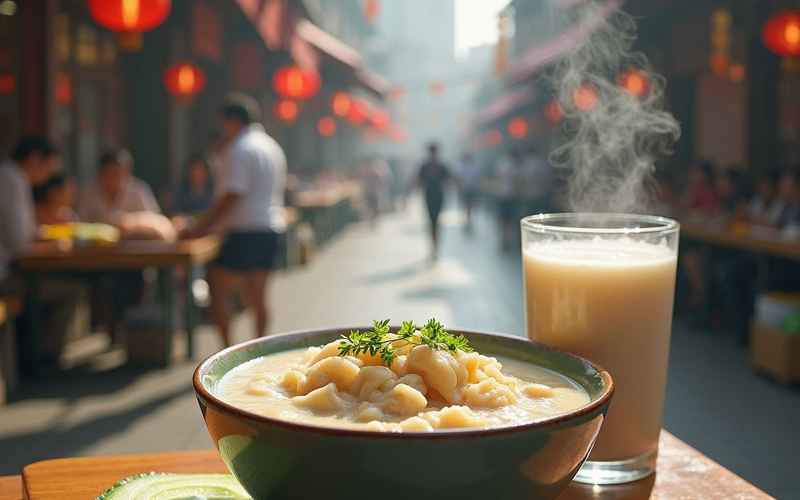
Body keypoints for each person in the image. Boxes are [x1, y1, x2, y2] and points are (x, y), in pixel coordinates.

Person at [181, 93, 287, 346]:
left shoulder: (239, 149)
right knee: (259, 298)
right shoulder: (271, 146)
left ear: (232, 121)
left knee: (217, 289)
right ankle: (261, 348)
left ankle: (227, 348)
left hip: (242, 230)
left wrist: (200, 227)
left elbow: (232, 195)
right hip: (268, 228)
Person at [0, 137, 84, 368]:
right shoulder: (12, 179)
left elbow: (24, 233)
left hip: (12, 269)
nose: (49, 175)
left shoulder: (14, 177)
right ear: (35, 159)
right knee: (70, 290)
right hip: (6, 275)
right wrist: (53, 245)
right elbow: (19, 245)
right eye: (49, 167)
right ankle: (43, 360)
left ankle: (40, 357)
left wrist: (48, 234)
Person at [416, 142, 453, 260]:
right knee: (434, 221)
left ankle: (434, 246)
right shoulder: (436, 166)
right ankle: (435, 246)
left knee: (433, 221)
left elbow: (418, 182)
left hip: (433, 196)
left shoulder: (428, 166)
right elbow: (449, 180)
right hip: (435, 196)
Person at [457, 153, 481, 231]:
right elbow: (459, 178)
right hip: (466, 189)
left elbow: (477, 178)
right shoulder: (462, 166)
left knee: (470, 205)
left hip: (471, 189)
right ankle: (468, 218)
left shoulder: (474, 166)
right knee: (467, 205)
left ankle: (469, 218)